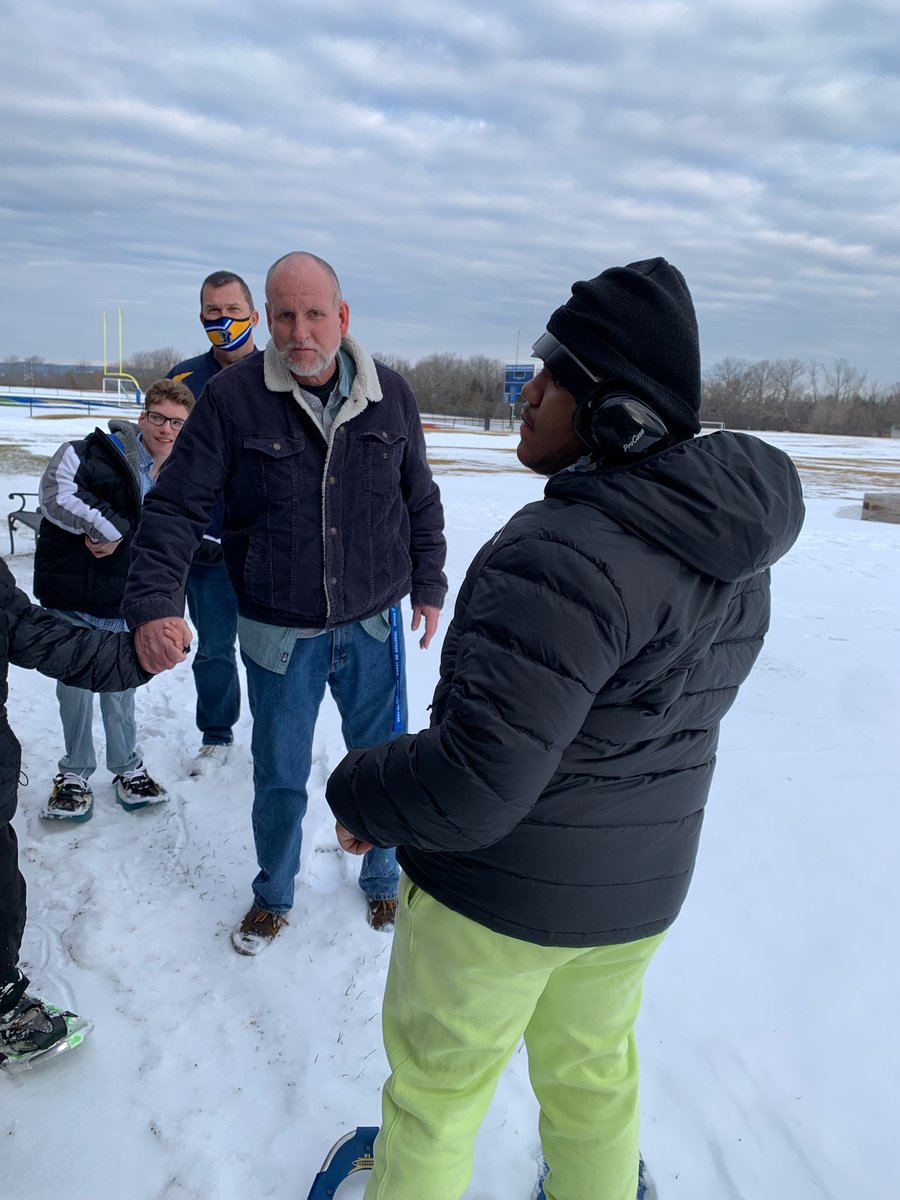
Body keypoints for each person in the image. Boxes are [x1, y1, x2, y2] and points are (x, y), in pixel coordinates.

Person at [326, 258, 805, 1200]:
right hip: (635, 897)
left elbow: (473, 782)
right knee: (592, 1080)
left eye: (553, 374)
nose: (529, 391)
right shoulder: (734, 555)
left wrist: (360, 794)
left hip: (497, 902)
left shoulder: (556, 554)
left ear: (616, 415)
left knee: (434, 1099)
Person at [123, 252, 447, 951]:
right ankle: (273, 892)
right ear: (268, 318)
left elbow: (418, 495)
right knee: (278, 778)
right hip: (277, 633)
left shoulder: (390, 393)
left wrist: (429, 581)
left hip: (371, 624)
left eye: (316, 314)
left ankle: (385, 879)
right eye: (286, 315)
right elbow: (177, 507)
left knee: (379, 763)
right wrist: (153, 602)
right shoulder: (232, 398)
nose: (302, 331)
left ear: (343, 317)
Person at [0, 558, 187, 1071]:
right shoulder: (66, 478)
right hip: (75, 589)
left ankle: (0, 998)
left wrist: (139, 653)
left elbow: (25, 627)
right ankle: (76, 769)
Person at [33, 378, 195, 820]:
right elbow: (56, 493)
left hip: (126, 602)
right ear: (143, 418)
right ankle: (74, 773)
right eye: (158, 418)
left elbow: (175, 535)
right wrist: (112, 528)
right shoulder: (95, 453)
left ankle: (126, 767)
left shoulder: (183, 474)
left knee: (121, 687)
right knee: (76, 688)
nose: (166, 430)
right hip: (76, 593)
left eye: (177, 423)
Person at [168, 270, 261, 776]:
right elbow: (160, 452)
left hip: (268, 545)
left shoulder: (281, 373)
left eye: (231, 309)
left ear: (254, 313)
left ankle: (274, 733)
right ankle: (217, 733)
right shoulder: (184, 379)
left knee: (274, 650)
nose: (223, 321)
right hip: (207, 550)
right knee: (215, 648)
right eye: (212, 312)